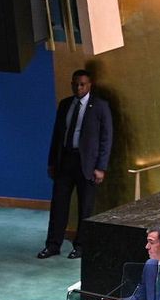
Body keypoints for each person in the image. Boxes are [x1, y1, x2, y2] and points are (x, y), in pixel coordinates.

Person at [40, 69, 113, 259]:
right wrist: (51, 162)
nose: (78, 87)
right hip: (64, 161)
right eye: (75, 84)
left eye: (82, 84)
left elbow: (106, 138)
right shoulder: (65, 104)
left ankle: (80, 246)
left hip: (87, 164)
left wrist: (101, 167)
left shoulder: (100, 106)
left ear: (90, 85)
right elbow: (56, 136)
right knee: (58, 205)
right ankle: (53, 244)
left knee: (85, 207)